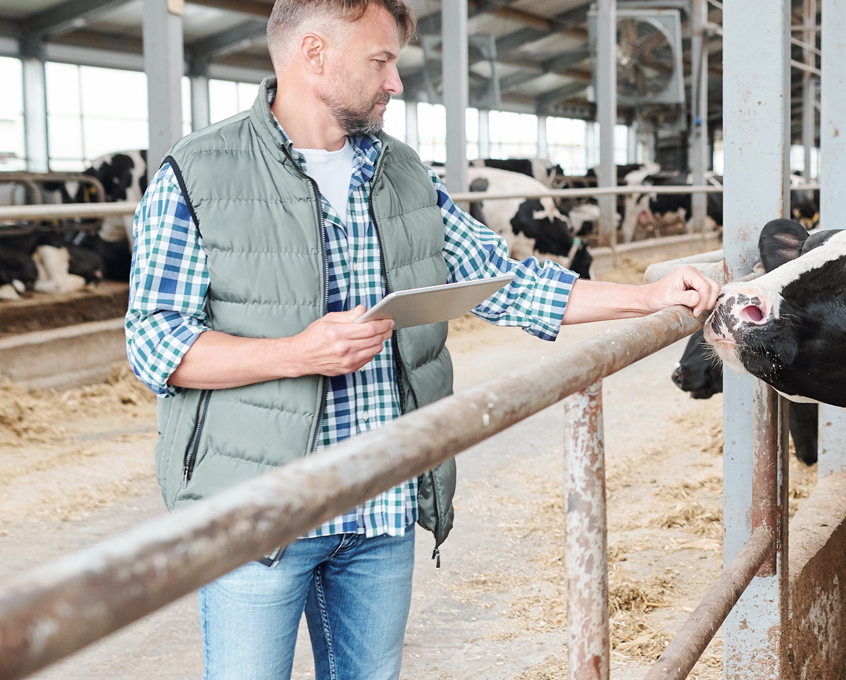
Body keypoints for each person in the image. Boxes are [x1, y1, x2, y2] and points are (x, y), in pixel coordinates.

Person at [121, 1, 718, 677]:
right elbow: (153, 344)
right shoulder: (199, 174)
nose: (396, 83)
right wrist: (296, 353)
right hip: (258, 511)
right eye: (381, 61)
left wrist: (647, 297)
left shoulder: (404, 174)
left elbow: (504, 282)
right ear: (313, 54)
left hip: (381, 505)